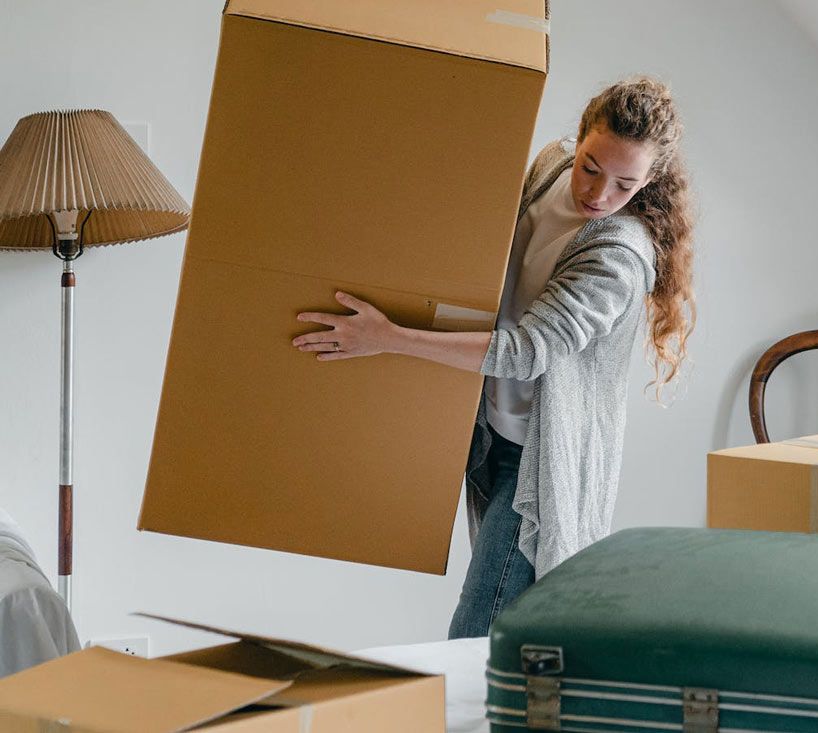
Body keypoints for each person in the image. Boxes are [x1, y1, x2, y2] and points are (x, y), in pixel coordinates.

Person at [292, 76, 695, 638]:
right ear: (577, 141)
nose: (598, 195)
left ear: (649, 180)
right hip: (488, 432)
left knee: (479, 631)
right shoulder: (549, 169)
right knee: (513, 634)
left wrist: (388, 337)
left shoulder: (617, 258)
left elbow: (526, 351)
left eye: (625, 184)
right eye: (591, 167)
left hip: (541, 457)